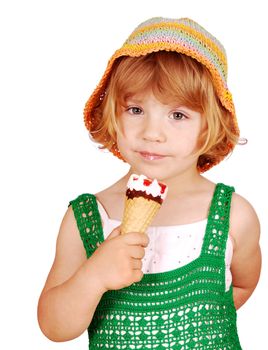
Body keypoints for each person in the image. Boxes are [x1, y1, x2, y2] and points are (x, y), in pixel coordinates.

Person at [38, 17, 261, 349]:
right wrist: (94, 277)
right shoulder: (88, 217)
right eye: (135, 109)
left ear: (210, 125)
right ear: (113, 113)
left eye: (178, 115)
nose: (152, 133)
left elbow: (240, 288)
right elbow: (53, 326)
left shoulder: (233, 216)